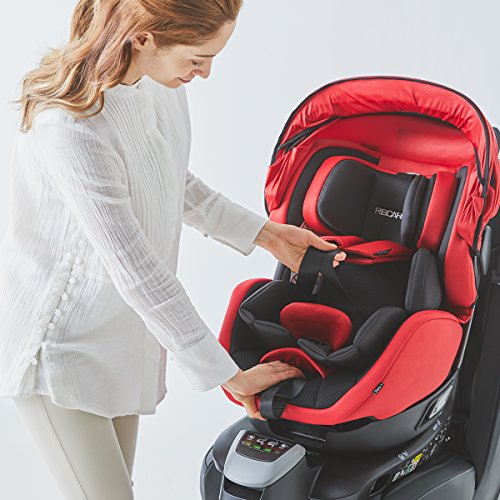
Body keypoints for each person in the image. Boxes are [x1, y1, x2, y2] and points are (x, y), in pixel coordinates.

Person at [2, 0, 347, 498]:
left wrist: (268, 234)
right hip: (60, 349)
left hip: (119, 337)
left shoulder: (159, 86)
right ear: (143, 37)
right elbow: (138, 271)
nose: (205, 73)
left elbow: (173, 181)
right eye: (197, 58)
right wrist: (228, 374)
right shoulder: (71, 125)